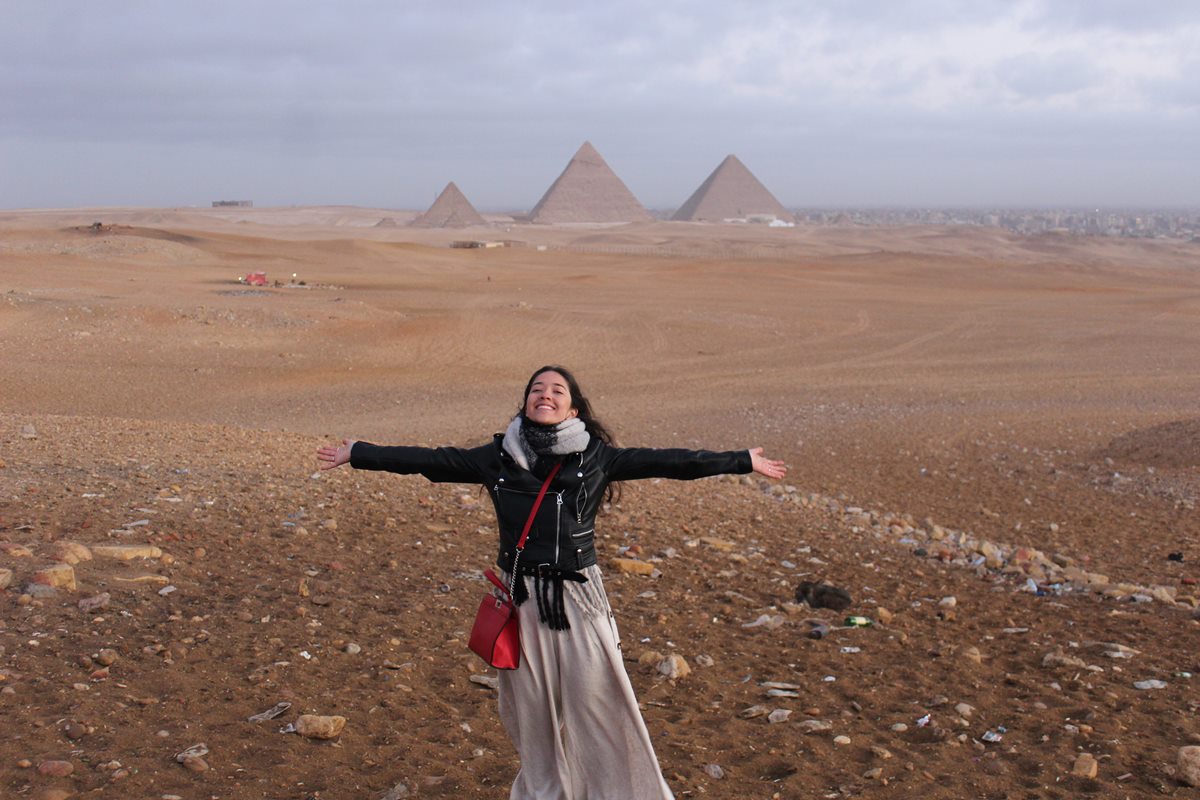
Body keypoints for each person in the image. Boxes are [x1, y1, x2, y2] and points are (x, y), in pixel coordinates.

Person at [316, 365, 787, 799]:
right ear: (525, 403)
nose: (545, 394)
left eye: (556, 390)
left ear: (573, 408)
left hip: (578, 597)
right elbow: (429, 459)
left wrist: (741, 460)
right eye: (536, 389)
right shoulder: (497, 458)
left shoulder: (597, 458)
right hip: (521, 601)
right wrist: (357, 452)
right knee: (532, 717)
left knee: (600, 704)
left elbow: (672, 462)